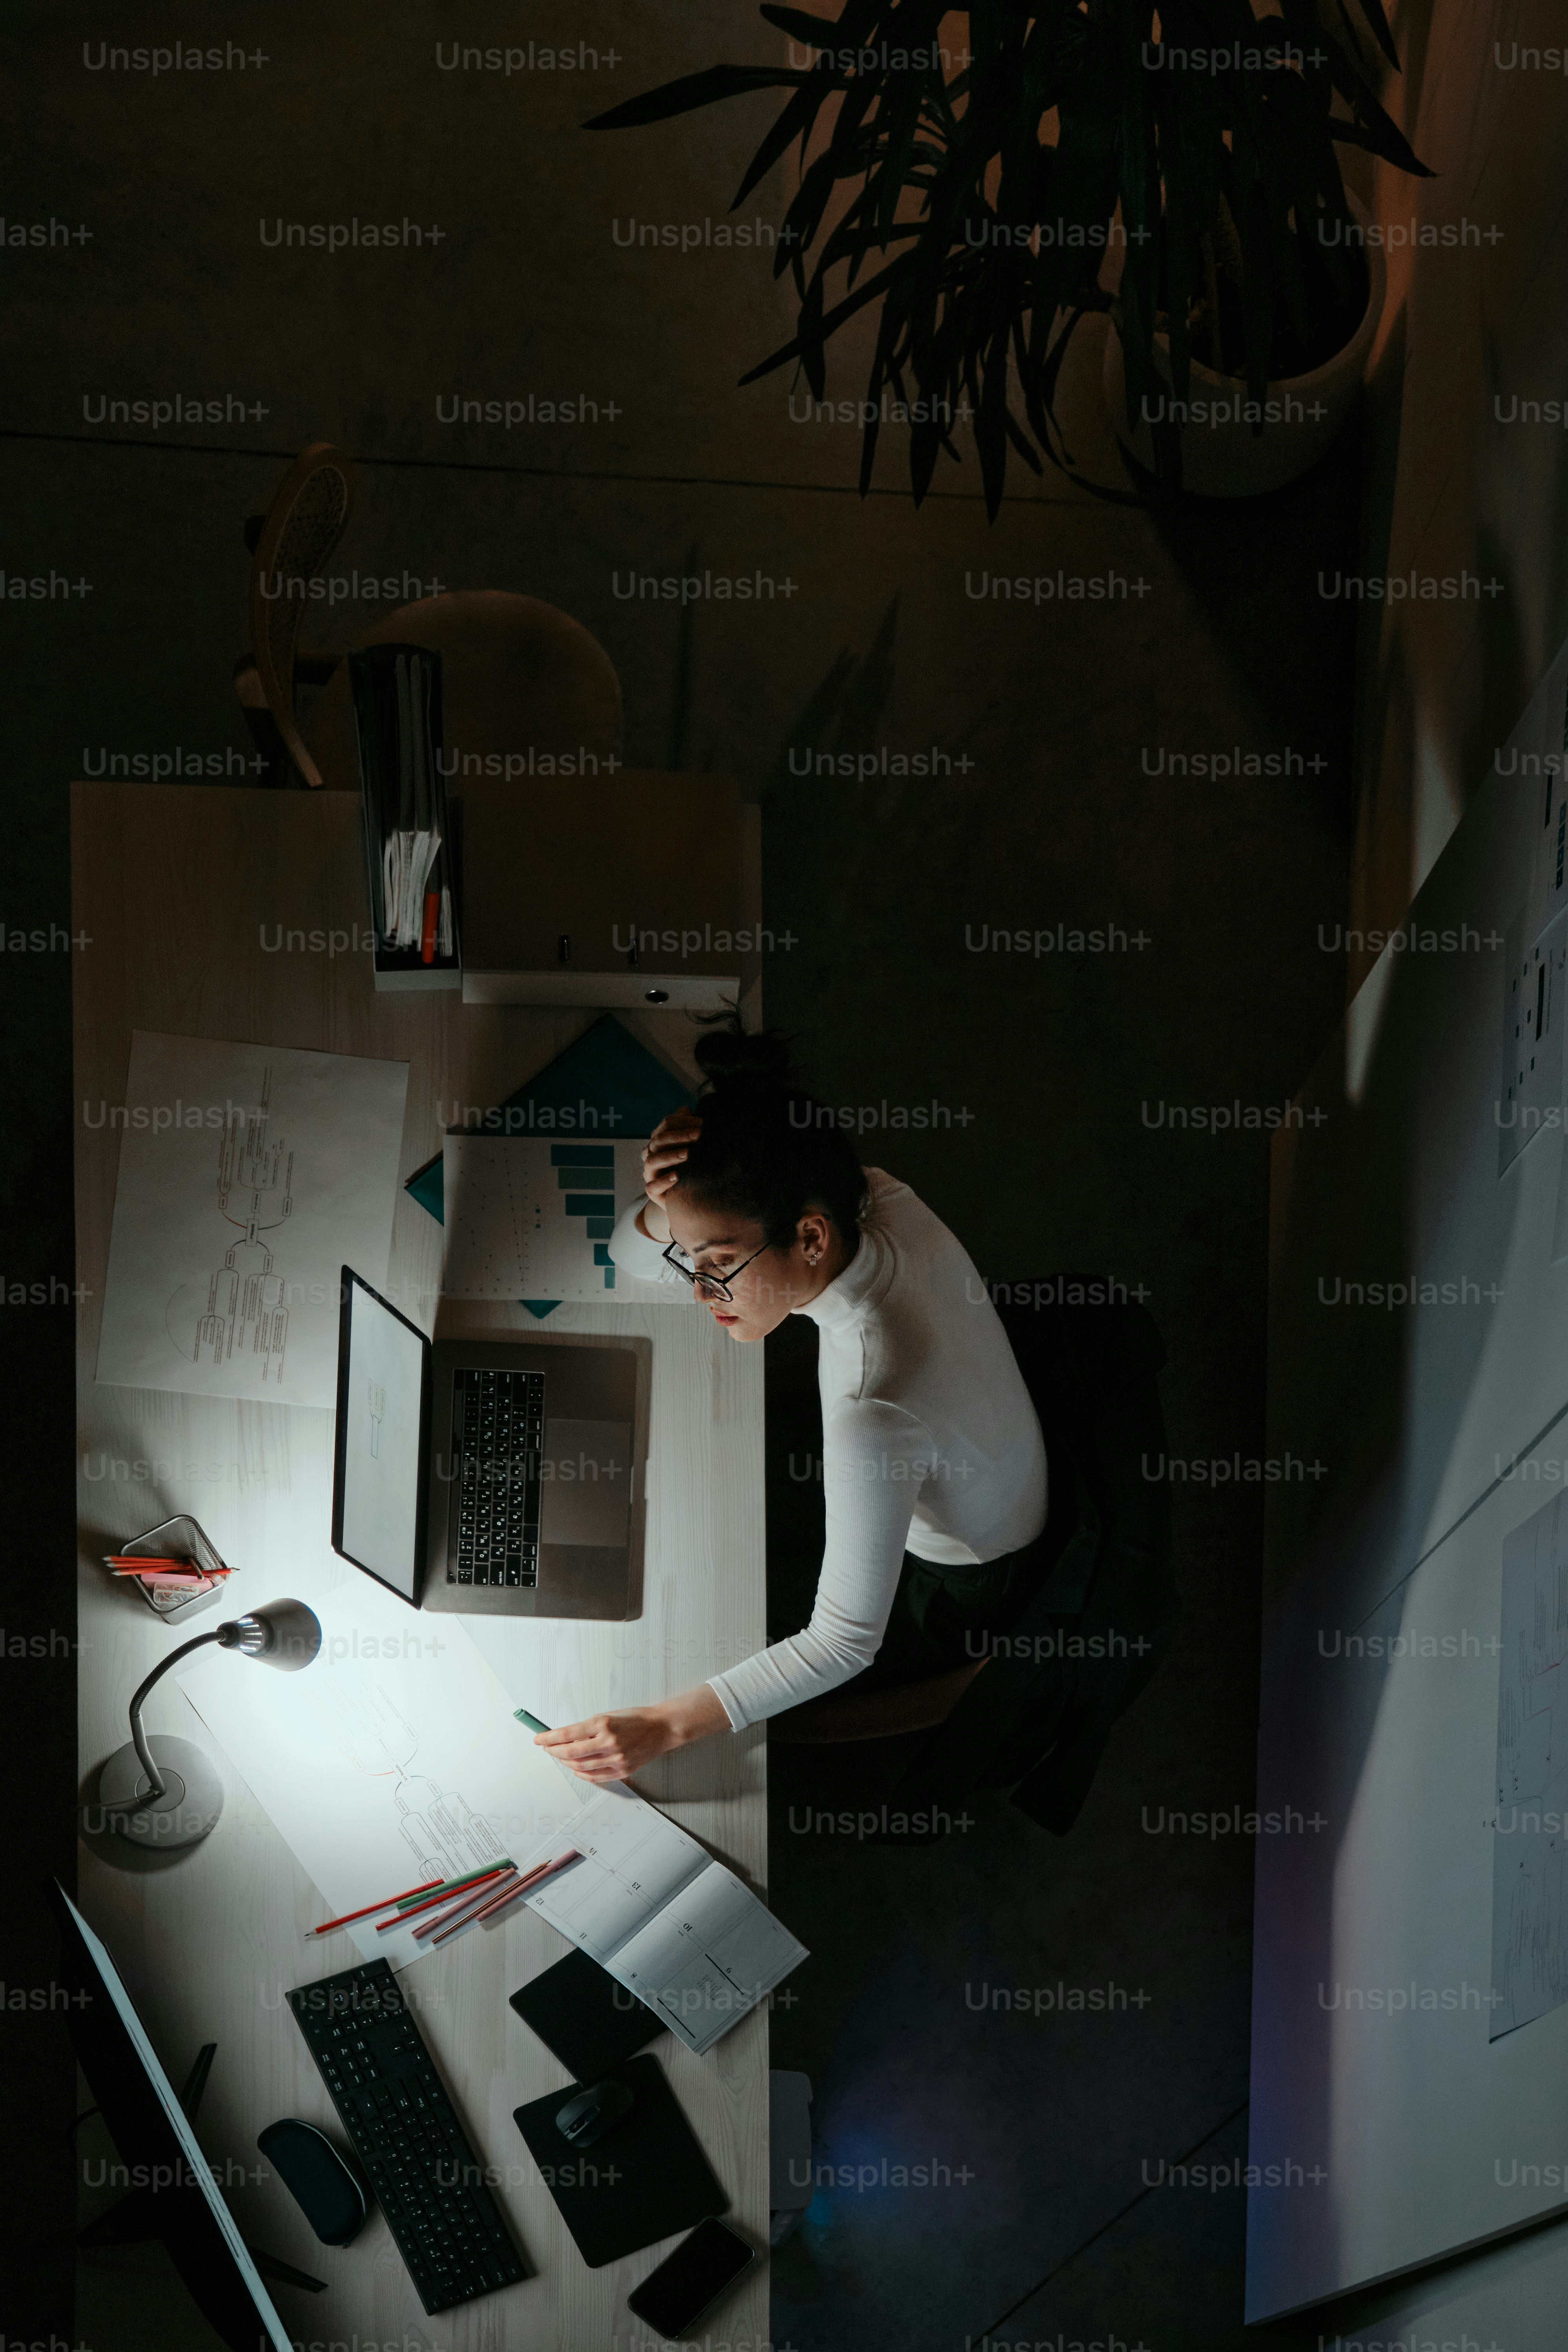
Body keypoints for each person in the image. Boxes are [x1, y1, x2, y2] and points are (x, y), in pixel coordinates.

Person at [532, 1021, 1051, 1784]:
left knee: (700, 1627)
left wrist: (658, 1726)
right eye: (693, 1258)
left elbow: (841, 1644)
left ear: (808, 1238)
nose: (700, 1292)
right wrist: (669, 1197)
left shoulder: (871, 1408)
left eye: (715, 1267)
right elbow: (628, 1259)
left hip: (960, 1590)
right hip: (984, 1466)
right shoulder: (868, 1192)